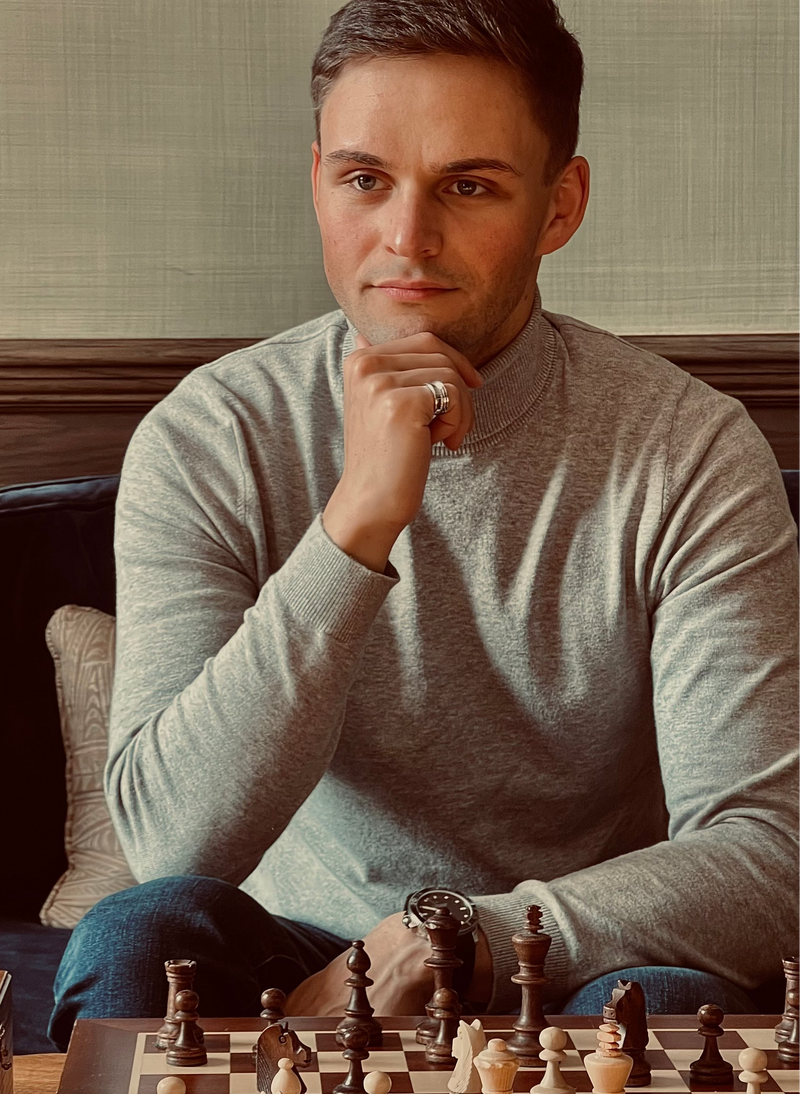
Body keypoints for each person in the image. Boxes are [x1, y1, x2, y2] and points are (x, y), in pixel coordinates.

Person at [49, 0, 800, 1052]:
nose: (406, 237)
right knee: (140, 931)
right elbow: (177, 841)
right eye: (364, 180)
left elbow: (767, 855)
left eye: (469, 184)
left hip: (577, 953)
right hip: (299, 952)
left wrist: (449, 935)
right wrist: (358, 519)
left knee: (667, 999)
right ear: (317, 182)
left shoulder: (687, 449)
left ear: (558, 205)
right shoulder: (212, 433)